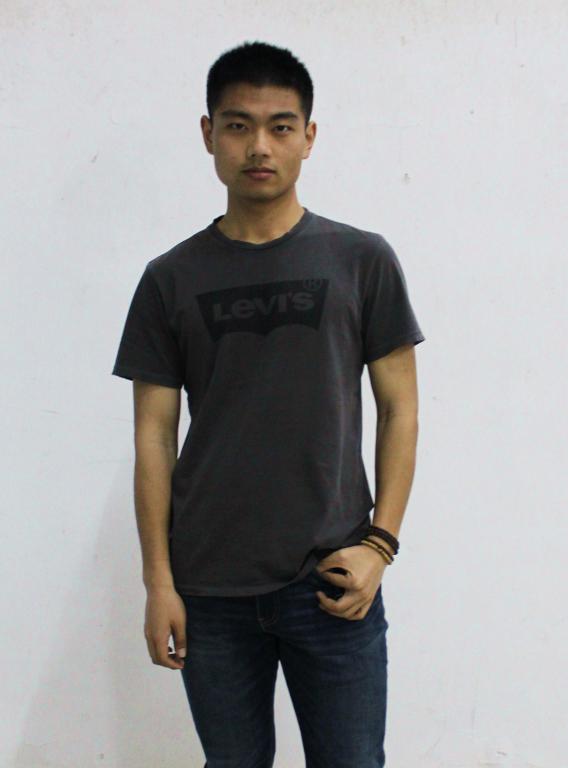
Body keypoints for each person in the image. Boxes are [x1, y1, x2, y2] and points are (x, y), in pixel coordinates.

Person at [112, 40, 425, 768]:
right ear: (208, 135)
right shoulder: (169, 279)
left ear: (308, 137)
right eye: (238, 125)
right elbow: (154, 438)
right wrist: (159, 582)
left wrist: (380, 545)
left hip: (333, 581)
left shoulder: (361, 260)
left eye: (281, 126)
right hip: (209, 589)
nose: (259, 146)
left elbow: (400, 410)